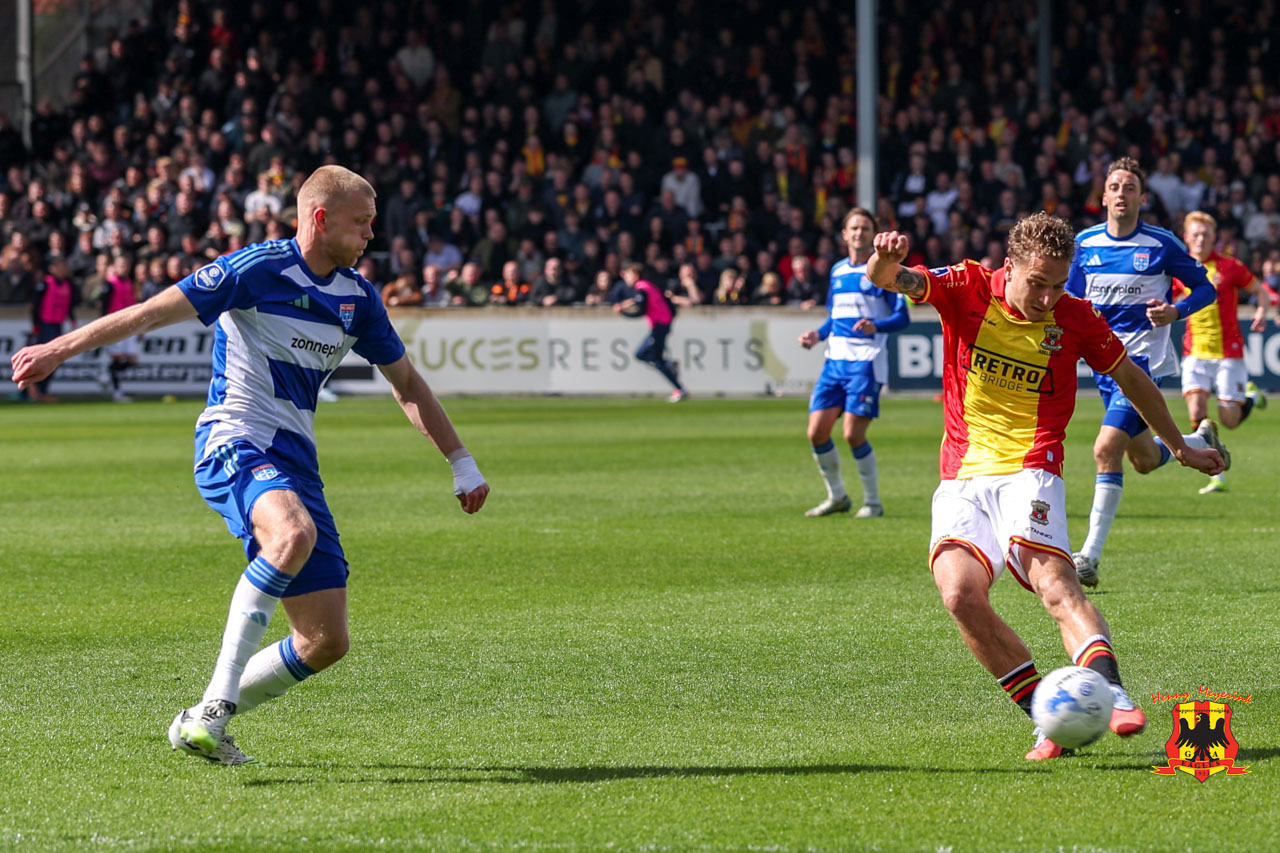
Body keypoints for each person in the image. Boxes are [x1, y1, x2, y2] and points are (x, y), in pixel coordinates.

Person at [10, 165, 490, 765]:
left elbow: (407, 383)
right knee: (292, 533)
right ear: (320, 219)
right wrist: (57, 348)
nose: (372, 234)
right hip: (232, 439)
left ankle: (196, 721)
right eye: (362, 222)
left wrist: (461, 461)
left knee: (324, 639)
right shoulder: (256, 269)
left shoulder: (358, 298)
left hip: (296, 462)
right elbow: (152, 313)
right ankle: (214, 709)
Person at [865, 213, 1223, 760]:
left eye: (1059, 285)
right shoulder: (966, 286)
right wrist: (886, 259)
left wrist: (1179, 447)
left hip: (1032, 467)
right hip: (961, 473)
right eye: (1038, 283)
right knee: (959, 595)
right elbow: (890, 278)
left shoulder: (1077, 317)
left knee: (1055, 585)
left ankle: (1109, 688)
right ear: (1010, 269)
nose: (1049, 297)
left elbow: (1133, 378)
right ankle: (1051, 717)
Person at [1065, 158, 1227, 588]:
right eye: (1115, 186)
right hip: (1102, 368)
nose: (1121, 193)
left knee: (1105, 449)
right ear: (1103, 197)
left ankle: (1089, 557)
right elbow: (1070, 301)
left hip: (1141, 366)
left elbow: (1206, 288)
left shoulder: (1161, 244)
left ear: (1141, 197)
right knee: (1141, 460)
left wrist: (1177, 310)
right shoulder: (1084, 245)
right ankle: (1196, 441)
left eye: (1130, 187)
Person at [798, 208, 907, 518]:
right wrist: (816, 335)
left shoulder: (885, 270)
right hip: (834, 361)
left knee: (852, 435)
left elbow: (902, 317)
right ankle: (837, 497)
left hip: (866, 362)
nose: (859, 233)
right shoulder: (837, 271)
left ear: (873, 235)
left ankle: (872, 502)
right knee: (816, 432)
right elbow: (834, 317)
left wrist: (876, 325)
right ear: (844, 235)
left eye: (864, 228)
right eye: (854, 228)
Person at [1175, 211, 1270, 493]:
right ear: (1187, 238)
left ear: (1214, 237)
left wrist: (1263, 310)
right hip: (1194, 353)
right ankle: (1215, 473)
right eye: (1196, 234)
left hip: (1228, 354)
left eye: (1206, 234)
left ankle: (1250, 396)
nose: (1201, 239)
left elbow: (1260, 291)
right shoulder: (1180, 269)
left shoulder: (1230, 266)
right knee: (1197, 412)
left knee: (1228, 420)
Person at [613, 261, 686, 402]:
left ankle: (678, 386)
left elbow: (641, 310)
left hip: (660, 325)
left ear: (635, 274)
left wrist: (623, 313)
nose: (625, 277)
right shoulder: (647, 286)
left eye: (627, 274)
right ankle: (670, 369)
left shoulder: (642, 288)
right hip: (662, 324)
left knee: (648, 356)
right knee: (646, 355)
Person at [28, 256, 79, 402]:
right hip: (45, 325)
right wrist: (36, 325)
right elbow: (35, 306)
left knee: (54, 360)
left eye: (64, 267)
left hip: (57, 325)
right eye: (59, 267)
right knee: (41, 358)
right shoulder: (45, 284)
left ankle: (42, 391)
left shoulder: (67, 285)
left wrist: (72, 319)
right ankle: (33, 390)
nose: (62, 270)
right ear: (52, 269)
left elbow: (69, 306)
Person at [99, 254, 141, 402]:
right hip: (115, 324)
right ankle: (117, 392)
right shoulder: (110, 284)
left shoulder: (130, 283)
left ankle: (106, 375)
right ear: (115, 267)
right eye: (121, 265)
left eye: (126, 265)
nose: (124, 268)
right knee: (117, 358)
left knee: (132, 359)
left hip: (129, 324)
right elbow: (104, 306)